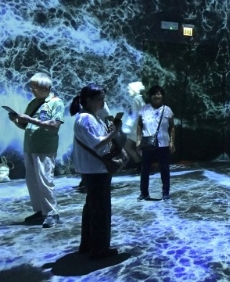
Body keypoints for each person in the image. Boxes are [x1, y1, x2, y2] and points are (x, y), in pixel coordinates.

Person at [70, 83, 121, 259]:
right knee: (100, 209)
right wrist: (115, 132)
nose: (103, 103)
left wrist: (109, 132)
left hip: (94, 169)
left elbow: (98, 139)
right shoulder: (86, 118)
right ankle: (99, 249)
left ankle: (88, 244)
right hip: (95, 169)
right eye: (100, 99)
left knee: (93, 207)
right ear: (89, 100)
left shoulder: (91, 117)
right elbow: (97, 143)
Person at [8, 72, 65, 228]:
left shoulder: (56, 103)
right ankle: (40, 211)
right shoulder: (33, 102)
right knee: (32, 182)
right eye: (31, 87)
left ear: (45, 87)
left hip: (45, 148)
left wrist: (29, 119)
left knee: (45, 181)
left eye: (35, 87)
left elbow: (54, 125)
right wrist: (16, 121)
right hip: (30, 147)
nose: (32, 90)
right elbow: (26, 125)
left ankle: (52, 213)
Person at [137, 85, 176, 201]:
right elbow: (139, 125)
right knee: (145, 169)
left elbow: (172, 127)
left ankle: (165, 193)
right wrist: (138, 140)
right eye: (154, 94)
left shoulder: (167, 110)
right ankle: (144, 193)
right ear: (150, 96)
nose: (156, 96)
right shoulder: (143, 109)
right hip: (147, 144)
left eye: (159, 94)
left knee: (164, 169)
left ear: (162, 96)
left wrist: (172, 142)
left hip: (163, 144)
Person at [123, 81, 145, 167]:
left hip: (136, 129)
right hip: (139, 127)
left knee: (128, 147)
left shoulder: (136, 99)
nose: (128, 91)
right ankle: (143, 164)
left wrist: (127, 126)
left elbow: (135, 115)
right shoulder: (140, 98)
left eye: (129, 89)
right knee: (138, 148)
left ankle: (141, 164)